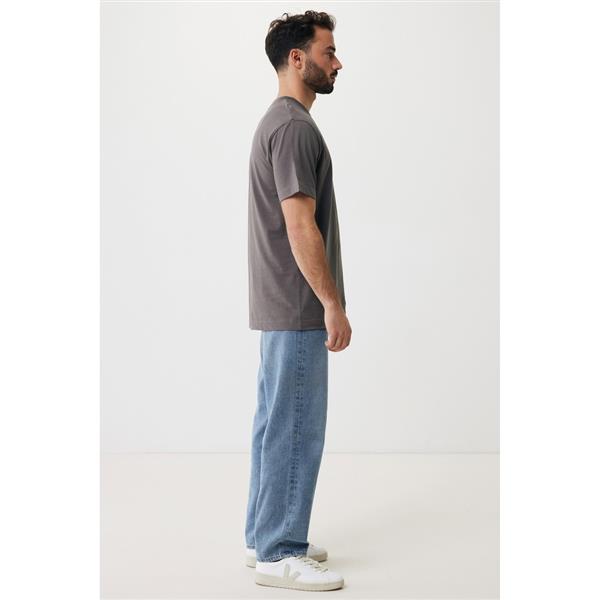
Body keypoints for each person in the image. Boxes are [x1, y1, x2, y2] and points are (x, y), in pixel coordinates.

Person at [244, 9, 351, 593]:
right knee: (295, 426)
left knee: (274, 422)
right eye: (328, 51)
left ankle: (263, 535)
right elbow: (299, 223)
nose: (337, 62)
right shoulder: (293, 128)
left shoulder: (280, 122)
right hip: (298, 304)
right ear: (297, 58)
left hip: (280, 303)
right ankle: (279, 550)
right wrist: (331, 303)